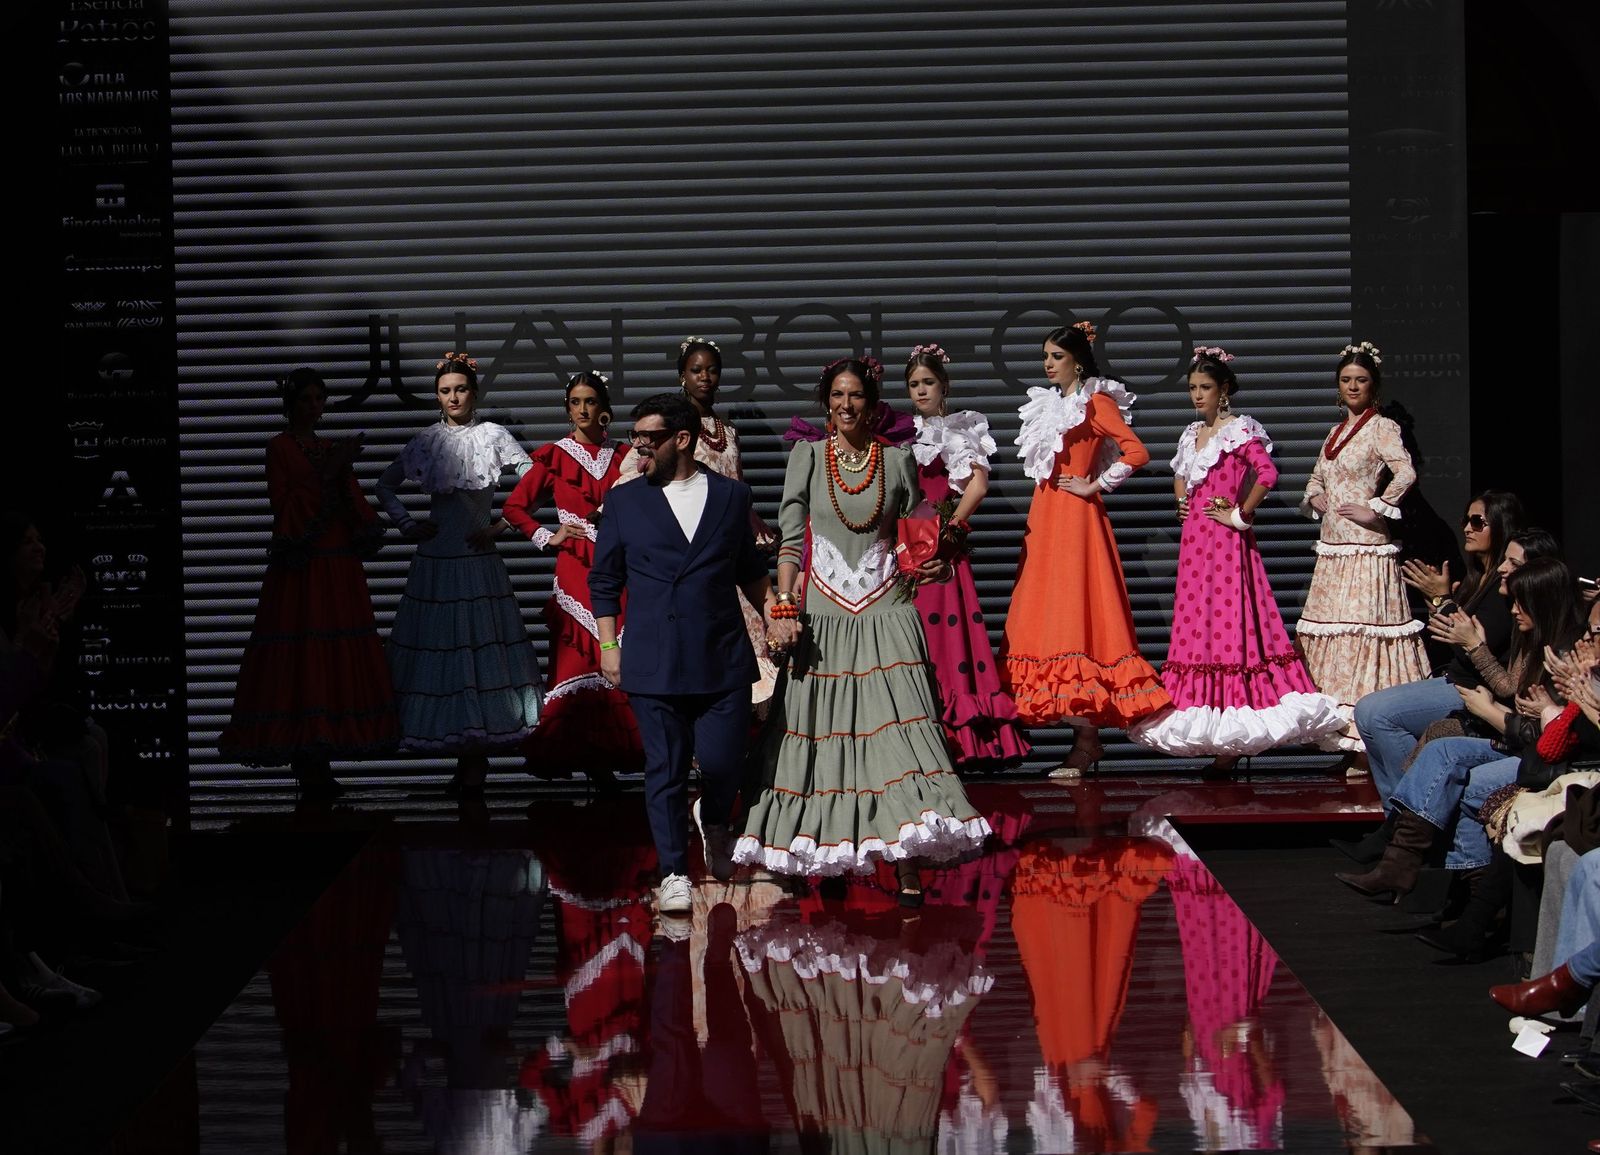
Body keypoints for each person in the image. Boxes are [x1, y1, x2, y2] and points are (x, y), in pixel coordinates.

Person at [732, 357, 991, 903]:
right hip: (822, 612)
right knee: (819, 735)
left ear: (873, 406)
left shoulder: (897, 460)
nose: (846, 405)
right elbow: (792, 539)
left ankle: (907, 858)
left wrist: (941, 557)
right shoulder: (806, 456)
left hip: (888, 610)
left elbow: (920, 531)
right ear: (826, 402)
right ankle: (815, 850)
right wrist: (782, 606)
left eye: (856, 397)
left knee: (900, 731)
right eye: (837, 396)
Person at [589, 392, 780, 916]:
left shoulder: (730, 496)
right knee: (665, 769)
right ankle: (673, 871)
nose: (639, 448)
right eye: (636, 438)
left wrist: (776, 614)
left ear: (683, 439)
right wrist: (609, 645)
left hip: (720, 656)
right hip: (653, 659)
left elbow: (749, 570)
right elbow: (604, 580)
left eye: (649, 439)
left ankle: (714, 819)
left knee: (723, 765)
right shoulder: (626, 502)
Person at [1128, 348, 1342, 772]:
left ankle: (1233, 742)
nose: (1197, 396)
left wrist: (1240, 514)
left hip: (1225, 546)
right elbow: (1179, 472)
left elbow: (1267, 474)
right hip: (1195, 546)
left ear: (1223, 389)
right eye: (1192, 388)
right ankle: (1219, 741)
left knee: (1230, 630)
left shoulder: (1239, 429)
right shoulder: (1192, 434)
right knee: (1198, 626)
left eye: (1204, 388)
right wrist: (1181, 503)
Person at [1335, 556, 1586, 900]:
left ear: (1542, 600)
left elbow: (1539, 729)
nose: (1512, 610)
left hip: (1533, 755)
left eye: (1519, 602)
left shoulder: (1563, 652)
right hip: (1510, 738)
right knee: (1439, 743)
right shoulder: (1531, 638)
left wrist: (1493, 698)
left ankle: (1452, 885)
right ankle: (1405, 861)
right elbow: (1511, 689)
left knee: (1455, 761)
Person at [999, 321, 1170, 777]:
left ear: (1077, 359)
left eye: (1056, 356)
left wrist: (1095, 483)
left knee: (1079, 619)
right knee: (1047, 618)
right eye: (1046, 357)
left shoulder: (1097, 401)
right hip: (1047, 516)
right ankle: (1080, 740)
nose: (1048, 364)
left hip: (1076, 521)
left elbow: (1136, 452)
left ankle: (1087, 741)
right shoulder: (1050, 405)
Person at [217, 368, 398, 797]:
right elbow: (284, 506)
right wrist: (329, 473)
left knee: (332, 653)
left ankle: (321, 760)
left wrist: (342, 477)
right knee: (301, 652)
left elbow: (353, 503)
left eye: (319, 399)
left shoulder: (328, 448)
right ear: (291, 404)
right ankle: (308, 763)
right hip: (301, 568)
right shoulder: (279, 448)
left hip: (335, 568)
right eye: (306, 400)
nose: (313, 407)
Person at [376, 352, 543, 792]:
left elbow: (535, 476)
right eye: (446, 391)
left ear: (475, 392)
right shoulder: (427, 439)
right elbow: (384, 484)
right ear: (437, 395)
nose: (454, 397)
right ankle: (462, 758)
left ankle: (475, 763)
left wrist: (504, 524)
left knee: (479, 652)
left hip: (477, 563)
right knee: (442, 655)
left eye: (461, 389)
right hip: (435, 565)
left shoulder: (492, 435)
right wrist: (409, 524)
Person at [614, 337, 779, 714]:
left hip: (730, 549)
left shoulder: (728, 430)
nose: (705, 377)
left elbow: (736, 483)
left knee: (748, 655)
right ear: (681, 377)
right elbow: (634, 471)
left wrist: (753, 524)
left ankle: (741, 754)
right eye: (696, 370)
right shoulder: (670, 429)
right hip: (690, 552)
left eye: (711, 369)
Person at [500, 371, 642, 786]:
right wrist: (549, 535)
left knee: (622, 654)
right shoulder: (554, 456)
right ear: (567, 408)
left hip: (622, 566)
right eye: (576, 402)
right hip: (576, 568)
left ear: (604, 409)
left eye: (590, 401)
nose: (583, 409)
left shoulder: (625, 456)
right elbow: (515, 507)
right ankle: (593, 764)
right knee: (581, 659)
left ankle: (623, 754)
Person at [1295, 341, 1429, 754]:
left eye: (1362, 380)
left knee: (1363, 638)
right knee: (1337, 641)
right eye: (1347, 380)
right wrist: (1315, 495)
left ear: (1374, 385)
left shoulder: (1381, 427)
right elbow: (1317, 477)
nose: (1353, 386)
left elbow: (1405, 471)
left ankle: (1370, 738)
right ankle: (1341, 738)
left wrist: (1380, 509)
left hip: (1365, 550)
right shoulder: (1335, 433)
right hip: (1334, 551)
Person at [902, 343, 1031, 771]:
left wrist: (949, 529)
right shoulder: (904, 433)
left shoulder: (957, 431)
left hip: (943, 549)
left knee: (945, 642)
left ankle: (956, 744)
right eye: (914, 384)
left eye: (928, 383)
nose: (921, 391)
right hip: (907, 550)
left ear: (944, 386)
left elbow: (977, 485)